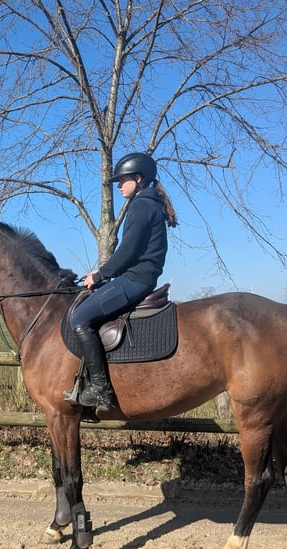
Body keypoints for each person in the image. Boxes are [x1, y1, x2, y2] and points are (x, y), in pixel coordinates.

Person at [67, 152, 178, 411]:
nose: (118, 186)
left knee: (78, 319)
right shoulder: (150, 203)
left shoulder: (141, 205)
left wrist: (101, 274)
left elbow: (128, 251)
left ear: (138, 179)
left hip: (136, 279)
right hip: (140, 277)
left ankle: (100, 389)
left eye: (123, 180)